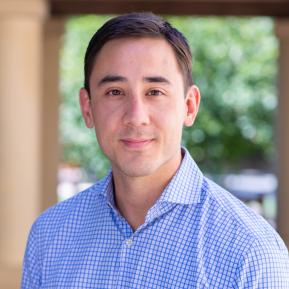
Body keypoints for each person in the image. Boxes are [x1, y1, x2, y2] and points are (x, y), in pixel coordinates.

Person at [21, 12, 289, 288]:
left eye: (155, 92)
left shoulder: (251, 252)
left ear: (189, 106)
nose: (136, 116)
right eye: (115, 91)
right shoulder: (49, 236)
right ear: (87, 107)